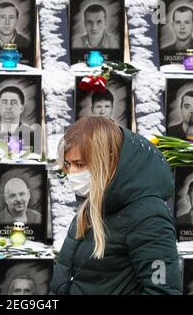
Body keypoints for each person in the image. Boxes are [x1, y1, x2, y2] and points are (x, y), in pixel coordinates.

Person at [49, 116, 182, 294]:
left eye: (80, 164)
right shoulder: (94, 202)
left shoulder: (148, 216)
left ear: (107, 160)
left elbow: (162, 290)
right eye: (68, 165)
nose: (72, 173)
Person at [0, 86, 34, 151]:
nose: (8, 106)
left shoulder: (32, 136)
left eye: (14, 102)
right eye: (4, 102)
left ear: (22, 108)